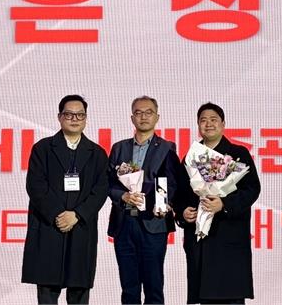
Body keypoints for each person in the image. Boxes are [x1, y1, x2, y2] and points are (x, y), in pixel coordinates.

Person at [22, 95, 109, 304]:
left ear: (86, 118)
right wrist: (58, 215)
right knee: (47, 290)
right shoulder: (43, 149)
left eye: (80, 115)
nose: (74, 119)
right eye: (69, 114)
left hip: (80, 226)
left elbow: (101, 190)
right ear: (60, 117)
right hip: (49, 225)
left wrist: (77, 215)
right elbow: (35, 185)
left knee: (79, 290)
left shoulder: (97, 153)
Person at [175, 103, 261, 304]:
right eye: (203, 120)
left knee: (231, 297)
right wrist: (183, 212)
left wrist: (224, 204)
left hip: (229, 238)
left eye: (213, 120)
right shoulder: (191, 157)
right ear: (198, 125)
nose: (208, 124)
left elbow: (252, 189)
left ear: (223, 124)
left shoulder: (238, 153)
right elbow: (179, 194)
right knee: (204, 297)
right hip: (200, 241)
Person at [107, 96, 185, 304]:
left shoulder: (166, 147)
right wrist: (122, 195)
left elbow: (170, 182)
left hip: (153, 223)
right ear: (132, 118)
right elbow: (108, 182)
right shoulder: (119, 148)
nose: (143, 116)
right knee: (128, 288)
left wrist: (162, 203)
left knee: (153, 286)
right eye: (138, 113)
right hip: (124, 222)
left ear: (157, 117)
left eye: (148, 112)